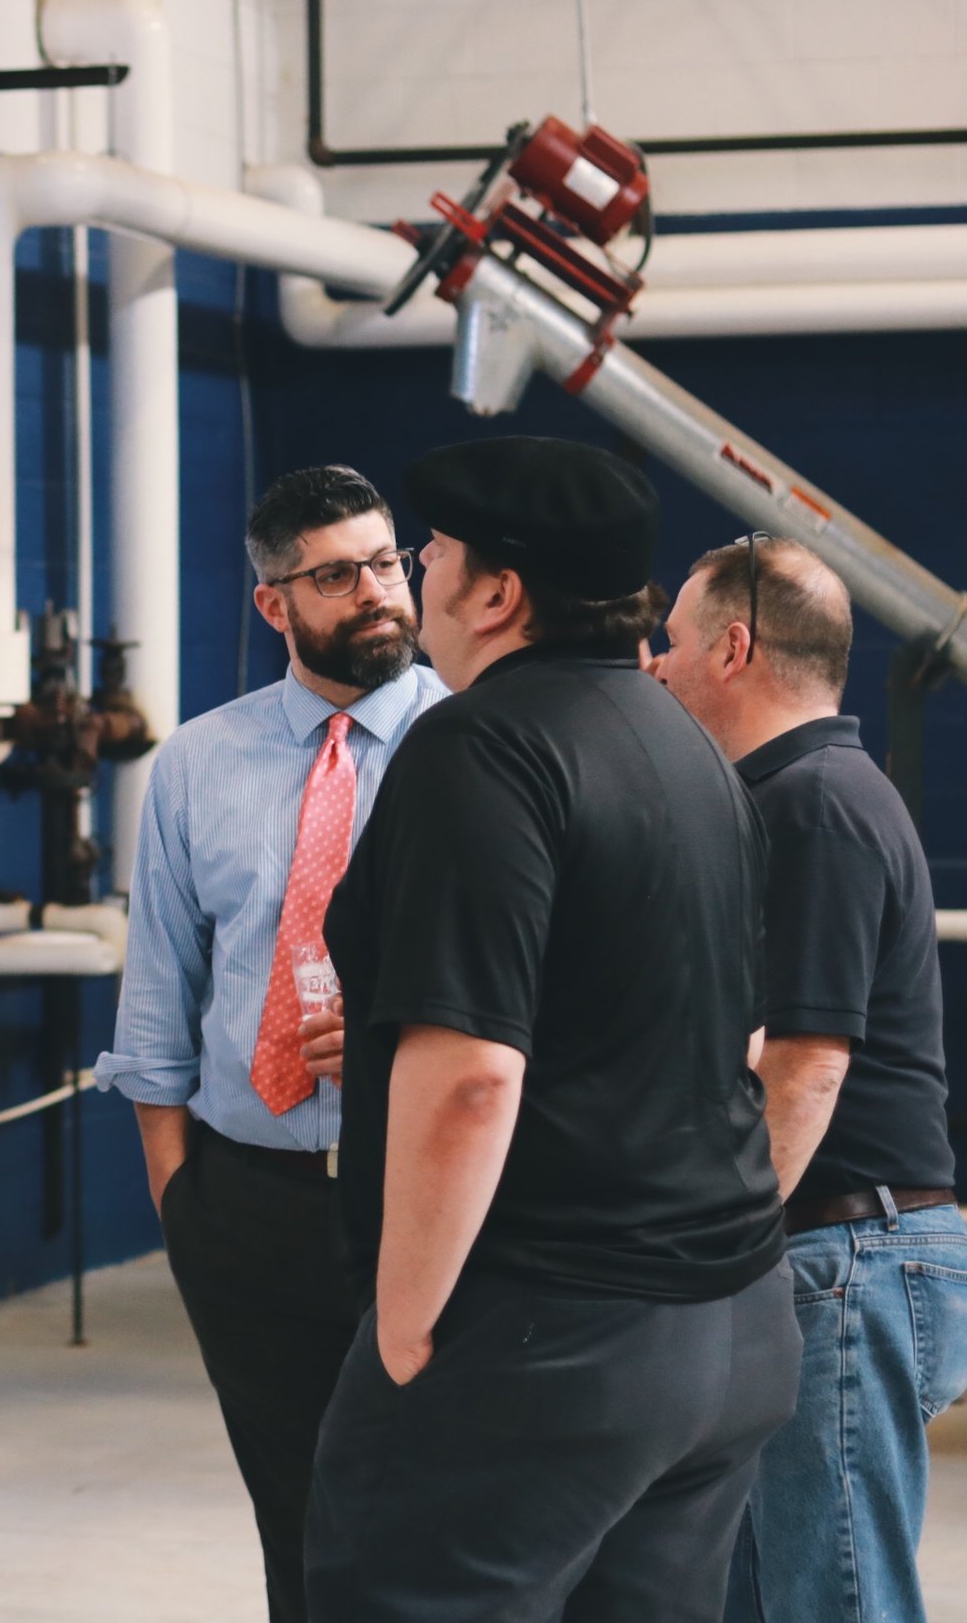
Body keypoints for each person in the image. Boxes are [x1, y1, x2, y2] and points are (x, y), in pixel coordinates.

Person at [306, 436, 797, 1622]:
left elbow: (472, 1071)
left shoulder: (480, 747)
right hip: (730, 1321)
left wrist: (407, 1322)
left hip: (553, 1330)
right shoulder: (691, 747)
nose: (417, 574)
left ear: (495, 591)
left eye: (431, 553)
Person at [98, 464, 445, 1623]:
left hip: (428, 1186)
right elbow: (160, 985)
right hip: (247, 1197)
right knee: (292, 1511)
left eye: (387, 562)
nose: (377, 593)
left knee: (433, 1511)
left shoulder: (474, 741)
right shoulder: (199, 759)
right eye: (337, 574)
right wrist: (179, 1193)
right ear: (273, 603)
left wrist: (398, 1032)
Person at [654, 536, 967, 1623]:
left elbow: (806, 1061)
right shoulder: (795, 794)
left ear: (733, 648)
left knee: (832, 1597)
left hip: (841, 1256)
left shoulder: (815, 804)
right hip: (833, 1252)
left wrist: (714, 1256)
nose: (654, 663)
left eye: (672, 641)